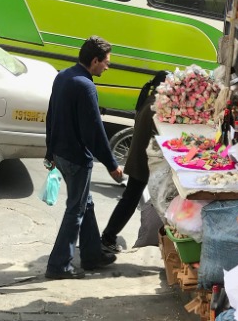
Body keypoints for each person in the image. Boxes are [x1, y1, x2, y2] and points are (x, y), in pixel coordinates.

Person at [45, 36, 124, 279]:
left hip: (61, 154)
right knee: (75, 211)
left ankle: (91, 256)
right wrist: (112, 165)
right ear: (94, 61)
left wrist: (50, 151)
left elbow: (51, 115)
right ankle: (58, 266)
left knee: (85, 203)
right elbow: (95, 132)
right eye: (106, 62)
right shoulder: (85, 86)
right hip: (77, 159)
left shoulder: (64, 76)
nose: (108, 67)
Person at [101, 70, 166, 256]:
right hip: (143, 162)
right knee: (130, 200)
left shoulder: (149, 100)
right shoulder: (156, 105)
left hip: (139, 158)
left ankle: (109, 235)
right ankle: (108, 237)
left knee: (130, 199)